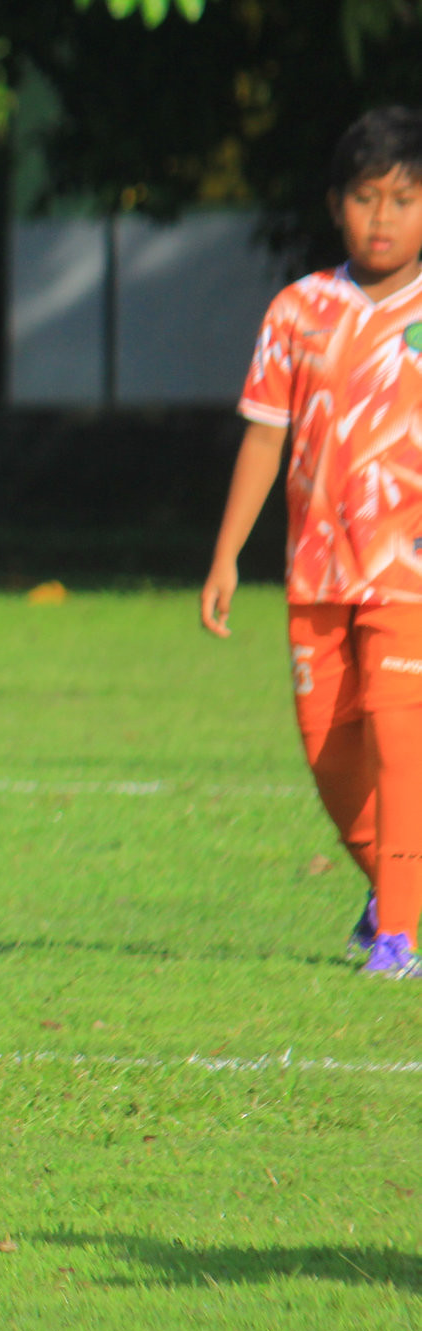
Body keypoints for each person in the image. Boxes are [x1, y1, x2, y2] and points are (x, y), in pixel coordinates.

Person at [201, 107, 422, 977]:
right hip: (314, 573)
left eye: (402, 199)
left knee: (400, 747)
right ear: (336, 205)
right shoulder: (297, 310)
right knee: (332, 762)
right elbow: (264, 435)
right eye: (365, 198)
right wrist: (225, 554)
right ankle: (392, 889)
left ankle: (398, 934)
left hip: (408, 576)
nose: (382, 216)